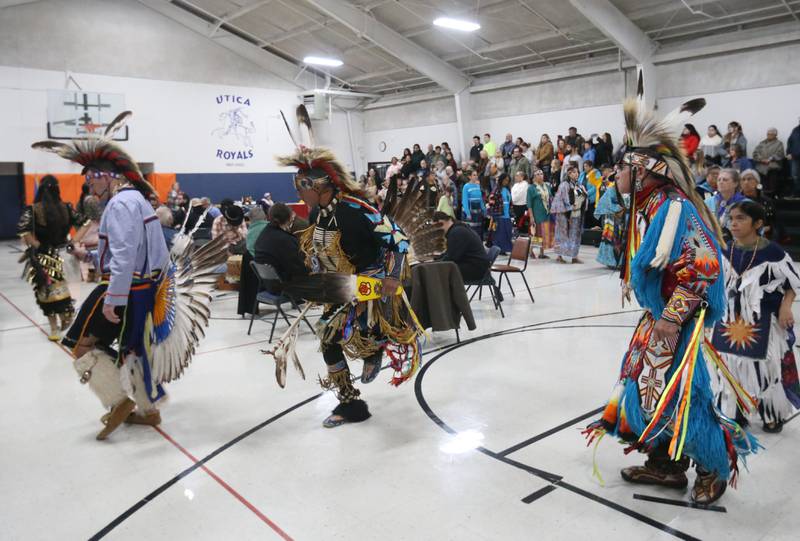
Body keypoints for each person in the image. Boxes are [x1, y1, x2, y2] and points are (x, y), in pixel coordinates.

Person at [584, 94, 758, 505]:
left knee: (683, 395)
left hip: (675, 321)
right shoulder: (649, 206)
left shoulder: (675, 208)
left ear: (642, 171)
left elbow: (704, 266)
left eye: (621, 167)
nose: (615, 173)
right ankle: (665, 464)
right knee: (647, 390)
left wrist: (673, 317)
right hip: (658, 317)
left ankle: (713, 467)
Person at [37, 111, 226, 440]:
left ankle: (118, 400)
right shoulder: (134, 200)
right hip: (139, 287)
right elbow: (131, 251)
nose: (88, 184)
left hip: (124, 288)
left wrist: (113, 299)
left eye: (92, 177)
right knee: (133, 349)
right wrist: (91, 256)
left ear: (109, 176)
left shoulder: (120, 205)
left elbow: (125, 256)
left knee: (80, 347)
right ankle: (149, 410)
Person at [277, 146, 422, 428]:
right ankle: (350, 400)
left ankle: (373, 346)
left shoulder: (357, 210)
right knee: (327, 338)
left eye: (301, 188)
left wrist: (392, 276)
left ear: (318, 186)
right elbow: (322, 250)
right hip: (340, 284)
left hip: (369, 284)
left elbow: (399, 239)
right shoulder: (319, 214)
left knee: (335, 335)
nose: (298, 195)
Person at [711, 200, 800, 433]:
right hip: (729, 319)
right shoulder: (725, 249)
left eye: (741, 218)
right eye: (731, 219)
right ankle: (734, 410)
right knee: (728, 365)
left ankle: (770, 412)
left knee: (764, 368)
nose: (733, 223)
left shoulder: (773, 253)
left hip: (763, 319)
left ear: (758, 223)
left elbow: (792, 284)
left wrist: (786, 307)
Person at [17, 175, 78, 340]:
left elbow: (24, 230)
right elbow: (85, 222)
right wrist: (74, 241)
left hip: (43, 256)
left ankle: (54, 329)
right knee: (61, 291)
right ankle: (65, 318)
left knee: (45, 291)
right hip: (63, 254)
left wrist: (36, 245)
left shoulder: (33, 209)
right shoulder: (66, 207)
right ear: (57, 189)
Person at [253, 203, 308, 293]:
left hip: (267, 285)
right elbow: (299, 269)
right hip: (283, 287)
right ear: (289, 218)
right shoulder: (285, 239)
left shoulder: (263, 234)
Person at [433, 211, 491, 282]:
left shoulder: (457, 232)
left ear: (441, 222)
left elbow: (452, 258)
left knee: (437, 272)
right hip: (475, 265)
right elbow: (450, 253)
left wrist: (433, 264)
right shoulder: (457, 228)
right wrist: (436, 259)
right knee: (439, 269)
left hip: (476, 270)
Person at [551, 166, 586, 264]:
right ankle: (559, 256)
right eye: (574, 172)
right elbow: (563, 199)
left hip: (577, 213)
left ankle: (574, 256)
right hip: (564, 213)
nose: (576, 174)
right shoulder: (564, 185)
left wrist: (584, 196)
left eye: (577, 172)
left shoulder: (579, 185)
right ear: (569, 174)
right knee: (562, 234)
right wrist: (570, 208)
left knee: (575, 234)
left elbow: (583, 197)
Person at [594, 176, 625, 269]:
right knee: (610, 238)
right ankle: (610, 261)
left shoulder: (625, 190)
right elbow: (604, 203)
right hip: (611, 218)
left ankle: (619, 262)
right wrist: (618, 209)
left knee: (620, 238)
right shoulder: (611, 190)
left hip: (622, 218)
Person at [740, 169, 779, 241]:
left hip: (764, 237)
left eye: (749, 179)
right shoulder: (736, 201)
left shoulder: (766, 201)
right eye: (743, 179)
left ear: (757, 182)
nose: (746, 182)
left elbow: (774, 222)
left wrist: (767, 228)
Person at [752, 128, 785, 196]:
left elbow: (780, 154)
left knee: (772, 186)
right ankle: (761, 195)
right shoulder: (762, 143)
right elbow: (755, 153)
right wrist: (761, 159)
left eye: (771, 134)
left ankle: (771, 196)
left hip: (772, 167)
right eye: (768, 134)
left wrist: (769, 159)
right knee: (761, 185)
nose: (768, 135)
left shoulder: (779, 143)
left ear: (775, 135)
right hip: (761, 167)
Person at [715, 168, 746, 239]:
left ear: (735, 183)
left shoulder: (745, 203)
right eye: (719, 180)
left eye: (725, 180)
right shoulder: (708, 202)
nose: (721, 182)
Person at [527, 169, 551, 259]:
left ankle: (542, 252)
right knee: (537, 233)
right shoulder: (531, 188)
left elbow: (550, 198)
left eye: (541, 173)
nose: (540, 175)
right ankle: (531, 250)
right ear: (534, 177)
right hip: (537, 213)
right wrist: (531, 216)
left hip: (546, 213)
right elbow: (529, 203)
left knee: (544, 233)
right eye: (537, 174)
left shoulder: (547, 186)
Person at [487, 173, 512, 254]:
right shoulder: (496, 189)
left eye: (507, 180)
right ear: (501, 180)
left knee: (507, 232)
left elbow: (509, 201)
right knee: (499, 233)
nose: (506, 182)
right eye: (505, 180)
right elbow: (491, 201)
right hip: (499, 214)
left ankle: (505, 249)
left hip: (507, 214)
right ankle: (499, 249)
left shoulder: (507, 189)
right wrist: (492, 213)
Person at [461, 169, 486, 239]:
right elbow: (465, 201)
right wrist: (468, 213)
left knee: (478, 230)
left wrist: (484, 209)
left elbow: (480, 199)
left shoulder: (478, 186)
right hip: (470, 211)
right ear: (470, 177)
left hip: (478, 212)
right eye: (474, 175)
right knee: (470, 231)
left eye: (476, 175)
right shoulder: (466, 186)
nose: (476, 176)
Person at [579, 160, 603, 229]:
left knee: (593, 215)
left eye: (586, 166)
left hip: (593, 199)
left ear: (591, 166)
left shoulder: (596, 173)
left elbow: (596, 186)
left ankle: (596, 230)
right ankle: (586, 230)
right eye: (584, 166)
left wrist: (587, 193)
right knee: (586, 217)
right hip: (584, 199)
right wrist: (581, 192)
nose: (585, 168)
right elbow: (579, 183)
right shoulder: (582, 174)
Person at [788, 117, 800, 198]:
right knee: (795, 176)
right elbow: (790, 142)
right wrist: (788, 152)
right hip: (795, 158)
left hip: (796, 155)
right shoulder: (795, 130)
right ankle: (797, 193)